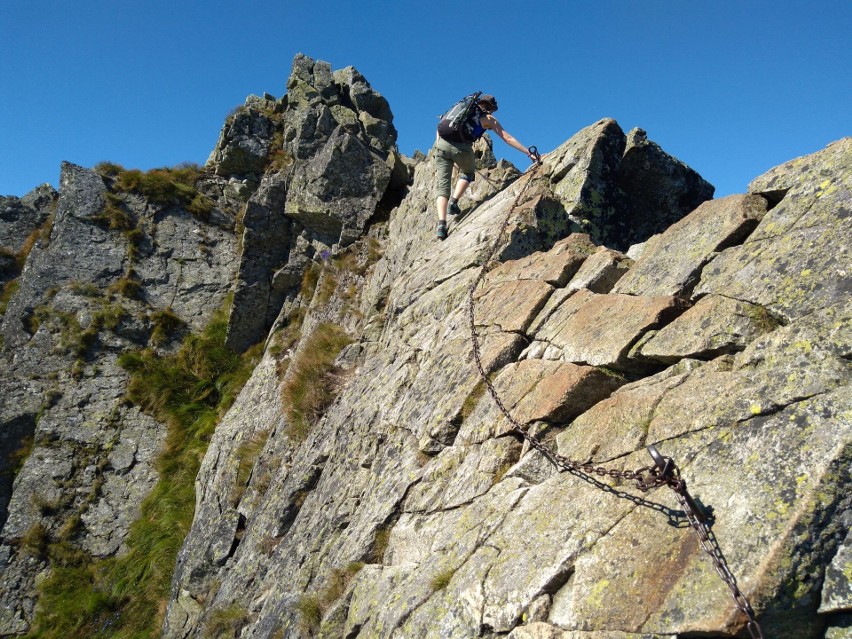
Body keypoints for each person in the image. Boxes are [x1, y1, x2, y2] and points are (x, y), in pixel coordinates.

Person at [432, 94, 537, 240]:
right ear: (491, 108)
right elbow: (508, 138)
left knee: (442, 187)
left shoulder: (459, 110)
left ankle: (441, 225)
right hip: (462, 149)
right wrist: (528, 153)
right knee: (468, 173)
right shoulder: (489, 120)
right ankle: (454, 202)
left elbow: (440, 127)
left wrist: (439, 145)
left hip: (441, 146)